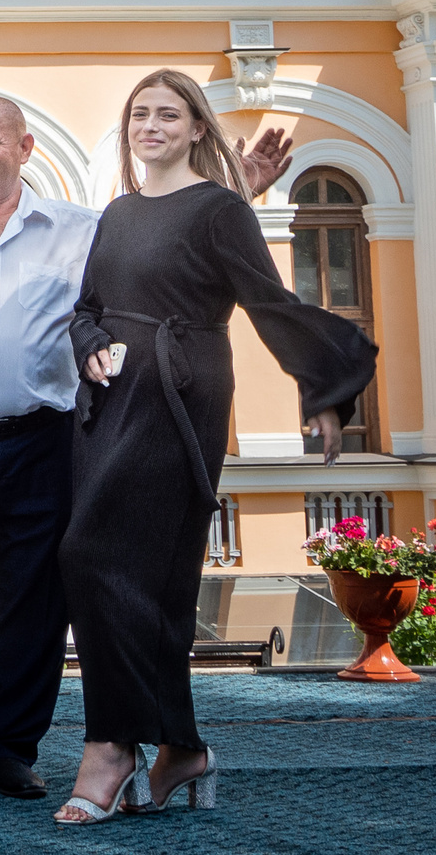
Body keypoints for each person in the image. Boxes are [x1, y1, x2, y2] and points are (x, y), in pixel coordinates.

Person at [0, 97, 290, 809]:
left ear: (25, 145)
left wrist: (238, 194)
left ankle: (9, 749)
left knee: (36, 600)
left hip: (43, 439)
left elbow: (159, 247)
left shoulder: (81, 229)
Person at [54, 70, 375, 825]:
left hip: (179, 396)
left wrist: (326, 392)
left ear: (199, 126)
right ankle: (183, 749)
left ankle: (111, 744)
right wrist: (89, 340)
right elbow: (87, 307)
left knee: (90, 552)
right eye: (140, 113)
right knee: (136, 576)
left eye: (169, 113)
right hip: (108, 403)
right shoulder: (119, 211)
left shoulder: (221, 209)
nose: (151, 125)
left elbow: (270, 301)